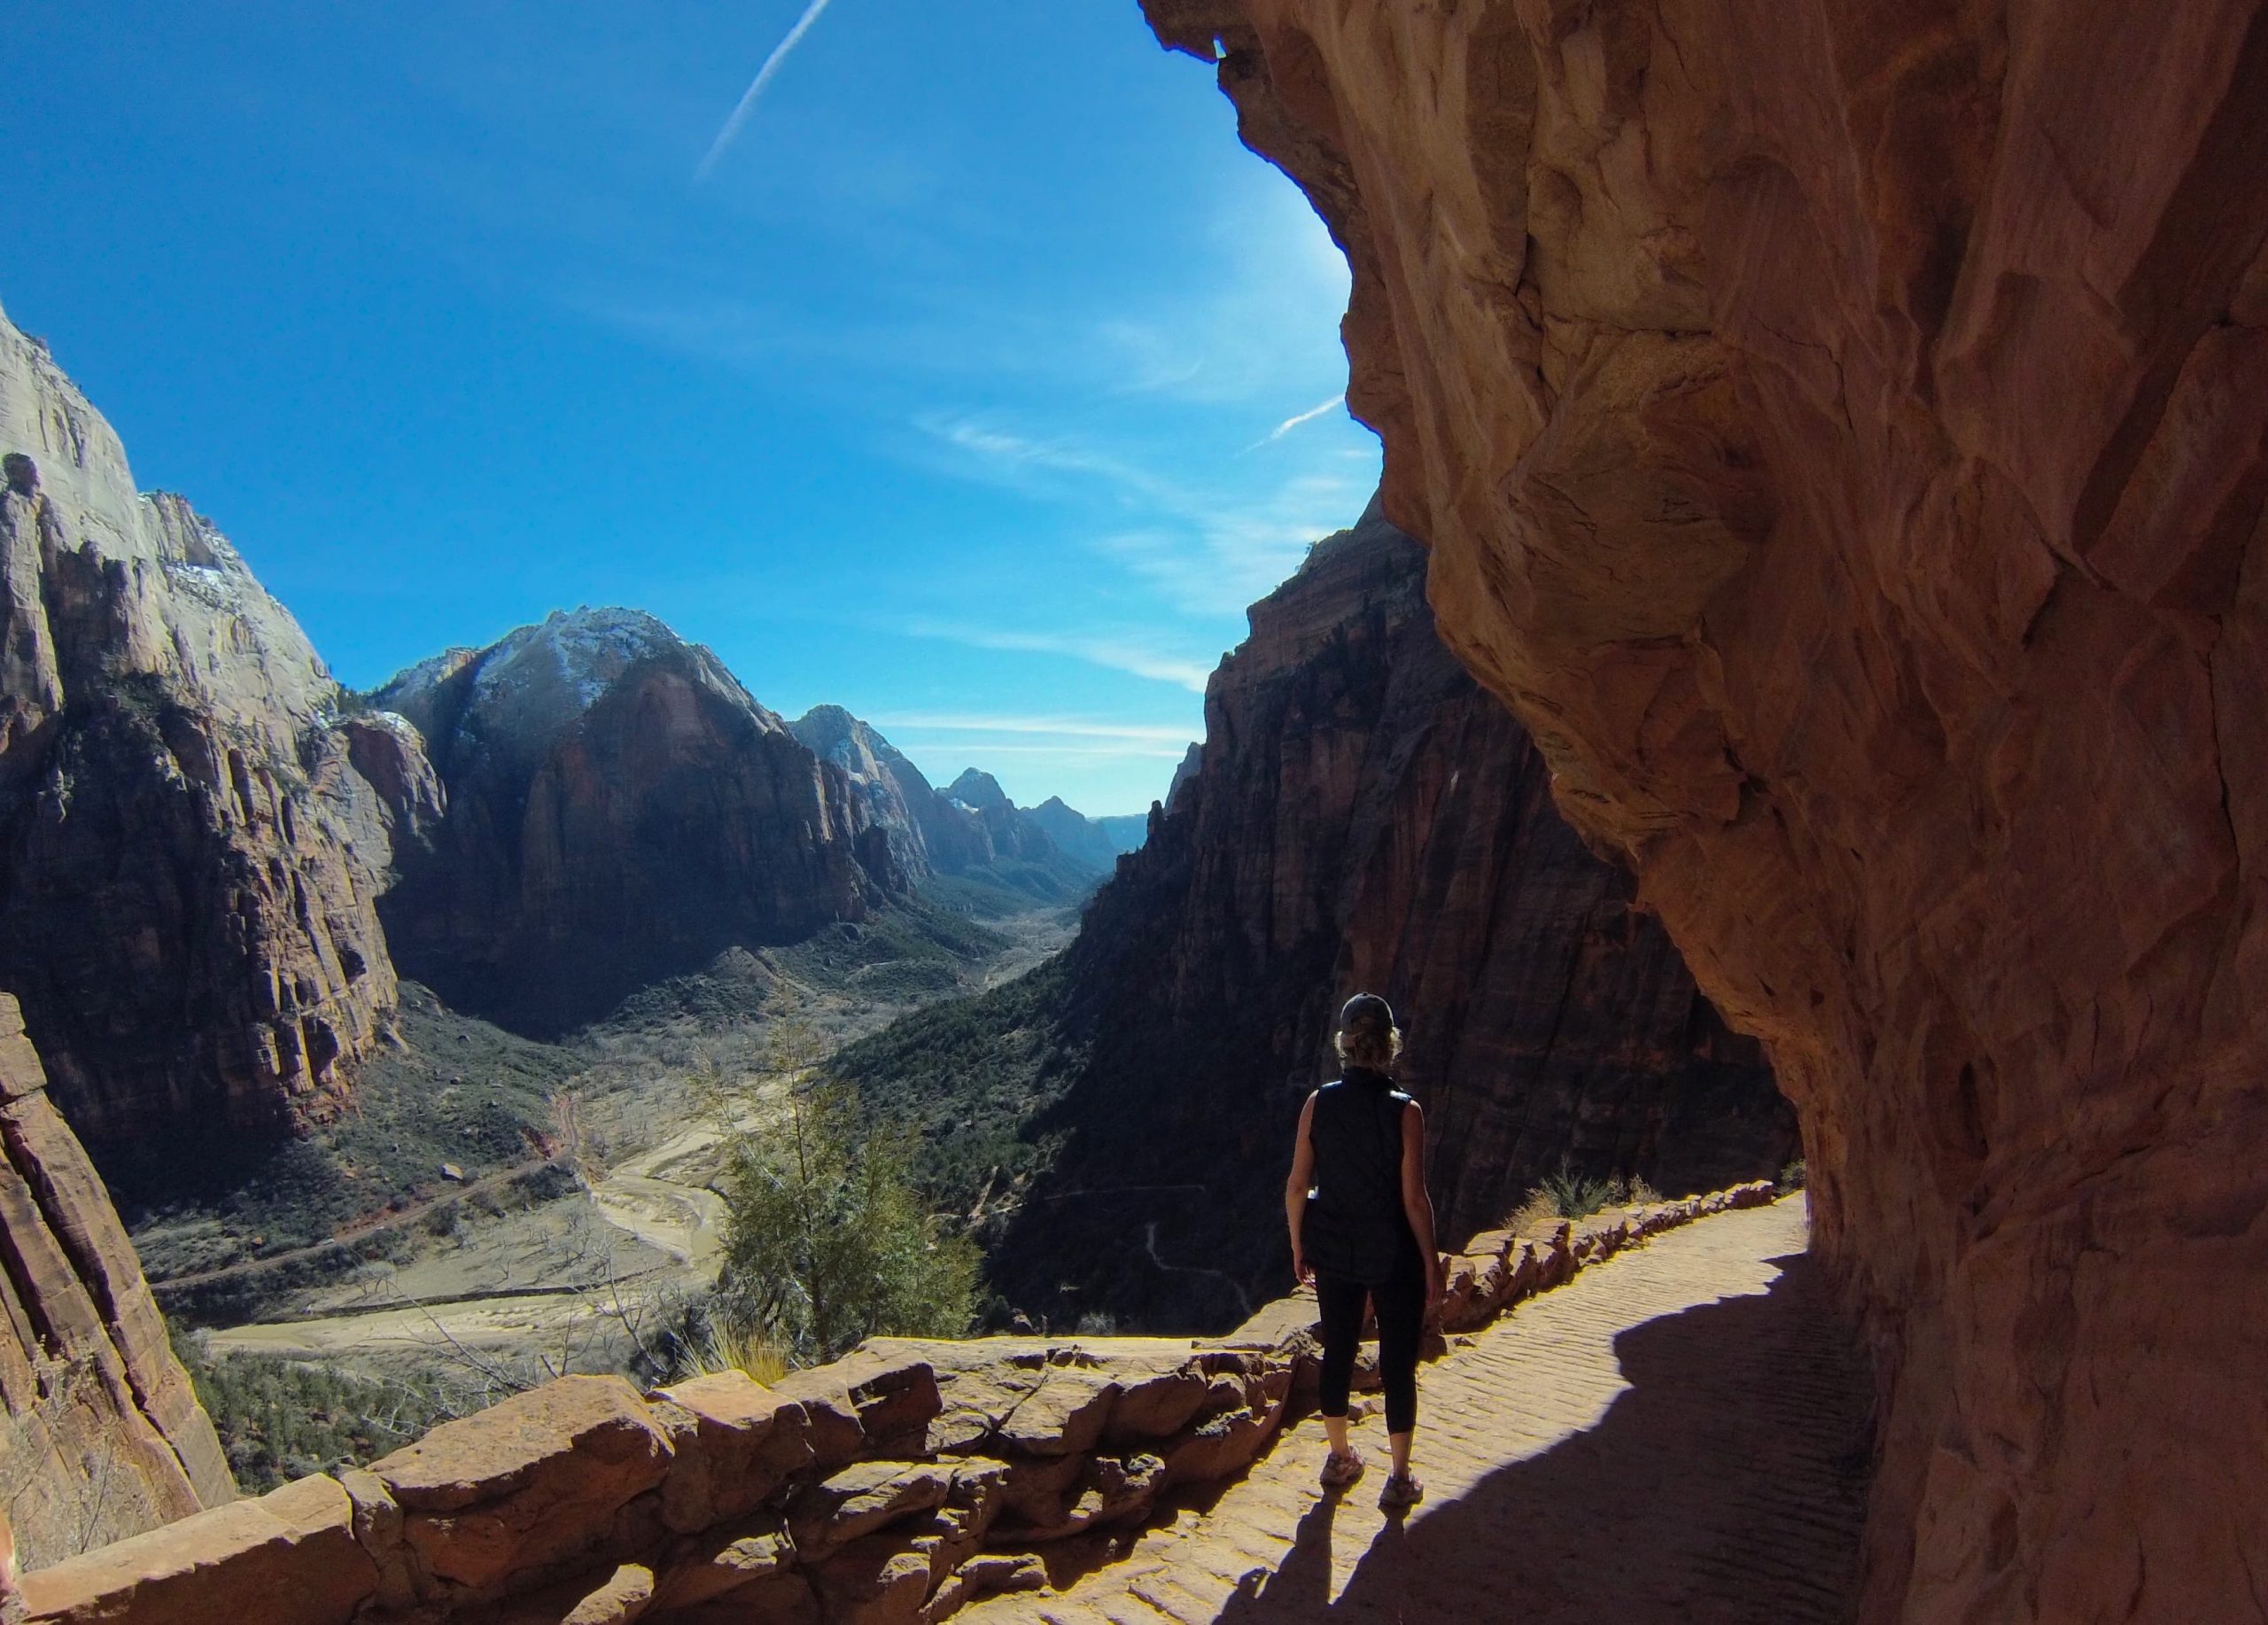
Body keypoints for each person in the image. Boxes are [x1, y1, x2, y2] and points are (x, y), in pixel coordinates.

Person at [1285, 992, 1443, 1509]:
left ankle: (1339, 1458)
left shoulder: (1317, 1103)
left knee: (1338, 1351)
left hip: (1332, 1248)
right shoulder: (1406, 1111)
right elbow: (1414, 1199)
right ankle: (1399, 1477)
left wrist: (1297, 1244)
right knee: (1398, 1363)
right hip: (1392, 1251)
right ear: (1389, 1046)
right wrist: (1430, 1261)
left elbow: (1295, 1186)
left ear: (1346, 1047)